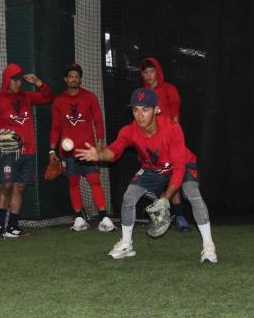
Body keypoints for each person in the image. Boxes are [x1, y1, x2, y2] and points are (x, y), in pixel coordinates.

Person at [75, 88, 217, 263]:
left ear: (156, 110)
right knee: (129, 196)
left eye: (145, 109)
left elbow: (179, 168)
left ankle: (209, 246)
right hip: (153, 168)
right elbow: (114, 150)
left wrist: (165, 198)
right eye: (135, 109)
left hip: (183, 165)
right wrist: (99, 155)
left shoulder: (172, 129)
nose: (139, 115)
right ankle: (126, 244)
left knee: (191, 193)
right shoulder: (129, 131)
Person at [0, 63, 54, 241]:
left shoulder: (27, 97)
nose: (19, 83)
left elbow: (49, 97)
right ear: (7, 80)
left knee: (19, 187)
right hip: (8, 151)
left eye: (20, 80)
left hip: (28, 151)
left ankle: (12, 227)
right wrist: (0, 134)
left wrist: (38, 82)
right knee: (6, 186)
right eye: (15, 80)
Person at [49, 63, 115, 232]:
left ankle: (104, 218)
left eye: (76, 76)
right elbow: (56, 128)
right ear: (65, 79)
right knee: (73, 184)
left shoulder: (90, 97)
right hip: (68, 152)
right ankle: (78, 218)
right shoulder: (58, 101)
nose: (74, 79)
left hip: (88, 151)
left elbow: (98, 121)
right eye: (70, 76)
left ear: (80, 79)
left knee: (94, 181)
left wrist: (99, 143)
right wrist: (51, 150)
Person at [139, 57, 190, 233]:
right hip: (149, 144)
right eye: (145, 72)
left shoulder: (169, 89)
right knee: (152, 181)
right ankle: (164, 213)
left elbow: (176, 117)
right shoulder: (140, 94)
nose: (149, 75)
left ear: (158, 72)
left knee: (173, 180)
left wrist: (176, 140)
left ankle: (180, 217)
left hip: (169, 142)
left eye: (151, 71)